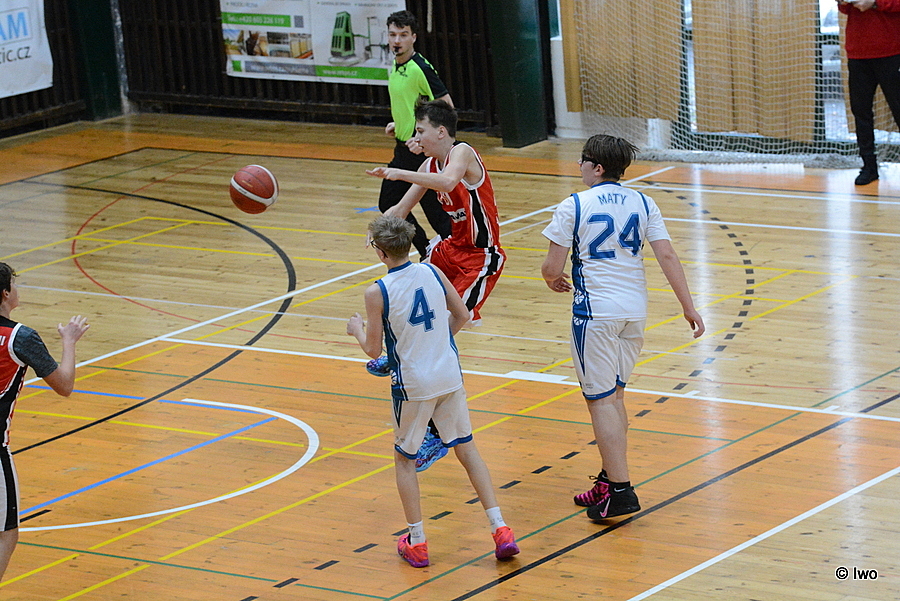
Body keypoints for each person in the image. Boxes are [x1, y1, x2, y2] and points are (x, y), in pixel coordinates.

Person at [540, 135, 704, 521]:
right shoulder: (644, 202)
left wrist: (551, 279)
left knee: (600, 402)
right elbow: (667, 255)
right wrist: (689, 306)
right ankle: (608, 478)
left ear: (597, 167)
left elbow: (551, 266)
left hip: (595, 314)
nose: (579, 166)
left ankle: (621, 490)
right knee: (614, 398)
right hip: (635, 312)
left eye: (583, 160)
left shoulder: (574, 204)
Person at [346, 215, 519, 568]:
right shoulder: (433, 272)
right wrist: (434, 343)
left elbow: (373, 350)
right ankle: (500, 528)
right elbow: (463, 316)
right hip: (448, 374)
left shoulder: (376, 292)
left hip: (414, 384)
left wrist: (356, 330)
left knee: (404, 460)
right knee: (468, 450)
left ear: (381, 252)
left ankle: (418, 542)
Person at [368, 99, 505, 327]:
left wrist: (400, 173)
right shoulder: (429, 164)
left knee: (453, 320)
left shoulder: (462, 152)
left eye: (421, 131)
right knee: (417, 308)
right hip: (450, 249)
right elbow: (401, 209)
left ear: (441, 131)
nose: (416, 138)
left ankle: (431, 348)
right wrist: (376, 227)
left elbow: (448, 182)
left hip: (480, 255)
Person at [0, 263, 89, 579]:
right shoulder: (20, 337)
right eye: (14, 284)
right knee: (7, 533)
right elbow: (64, 385)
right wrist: (69, 341)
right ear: (5, 293)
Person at [380, 10, 452, 258]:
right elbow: (412, 104)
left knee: (437, 215)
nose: (397, 40)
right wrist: (399, 124)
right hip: (402, 150)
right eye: (392, 35)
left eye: (403, 35)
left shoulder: (420, 68)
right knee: (388, 204)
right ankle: (426, 249)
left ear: (413, 37)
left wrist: (424, 138)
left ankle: (459, 255)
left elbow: (447, 108)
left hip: (422, 154)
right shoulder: (396, 64)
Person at [837, 0, 900, 185]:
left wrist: (874, 3)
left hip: (892, 51)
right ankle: (869, 167)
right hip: (858, 53)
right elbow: (845, 9)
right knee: (860, 111)